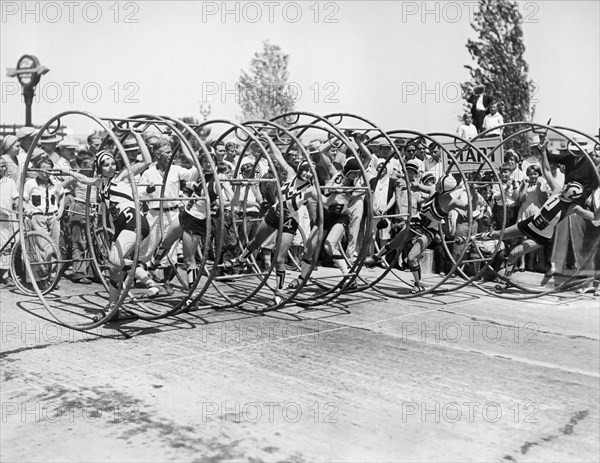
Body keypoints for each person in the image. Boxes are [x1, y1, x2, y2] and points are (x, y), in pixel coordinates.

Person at [59, 135, 155, 320]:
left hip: (134, 222)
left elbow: (147, 160)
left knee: (114, 261)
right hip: (122, 227)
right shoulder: (99, 182)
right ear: (99, 168)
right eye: (106, 164)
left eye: (113, 163)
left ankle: (149, 282)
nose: (111, 167)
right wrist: (68, 172)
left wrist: (136, 135)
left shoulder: (122, 176)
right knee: (114, 269)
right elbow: (82, 178)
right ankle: (113, 307)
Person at [232, 137, 323, 304]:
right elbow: (277, 156)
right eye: (306, 170)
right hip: (274, 215)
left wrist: (342, 193)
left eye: (311, 172)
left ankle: (279, 293)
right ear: (301, 168)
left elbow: (325, 201)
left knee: (279, 259)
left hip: (289, 222)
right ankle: (241, 260)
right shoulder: (290, 174)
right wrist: (267, 139)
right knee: (256, 241)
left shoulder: (310, 190)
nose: (308, 173)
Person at [366, 174, 477, 293]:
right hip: (416, 223)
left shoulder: (452, 202)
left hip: (428, 231)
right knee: (394, 243)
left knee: (412, 257)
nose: (437, 185)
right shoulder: (433, 190)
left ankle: (418, 284)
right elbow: (417, 186)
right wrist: (408, 184)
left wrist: (473, 192)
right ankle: (376, 257)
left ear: (445, 188)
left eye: (440, 184)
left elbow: (472, 207)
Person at [0, 158, 19, 285]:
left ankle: (4, 275)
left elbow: (16, 197)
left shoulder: (10, 182)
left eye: (4, 166)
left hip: (6, 219)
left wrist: (20, 208)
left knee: (6, 246)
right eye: (0, 166)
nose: (3, 168)